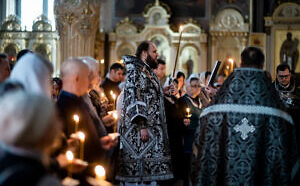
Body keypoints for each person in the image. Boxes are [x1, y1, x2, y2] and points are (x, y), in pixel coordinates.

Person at [191, 46, 298, 185]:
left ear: (241, 63)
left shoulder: (212, 113)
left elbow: (199, 156)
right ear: (262, 65)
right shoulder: (280, 115)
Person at [116, 41, 173, 185]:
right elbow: (135, 97)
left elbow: (147, 93)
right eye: (154, 51)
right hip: (140, 132)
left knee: (149, 177)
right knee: (139, 176)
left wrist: (162, 91)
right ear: (144, 53)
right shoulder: (136, 71)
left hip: (151, 129)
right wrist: (142, 126)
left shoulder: (145, 70)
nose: (157, 54)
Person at [56, 58, 113, 166]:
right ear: (77, 78)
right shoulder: (64, 107)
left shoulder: (78, 101)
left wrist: (98, 143)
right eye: (87, 77)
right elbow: (68, 147)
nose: (89, 81)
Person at [0, 91, 62, 185]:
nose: (60, 124)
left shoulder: (5, 163)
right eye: (55, 119)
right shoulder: (44, 181)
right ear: (43, 129)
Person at [178, 74, 203, 186]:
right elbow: (178, 119)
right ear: (187, 86)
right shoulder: (182, 101)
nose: (196, 88)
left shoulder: (201, 101)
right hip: (187, 138)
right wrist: (183, 122)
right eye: (193, 86)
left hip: (199, 139)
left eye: (198, 86)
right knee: (188, 167)